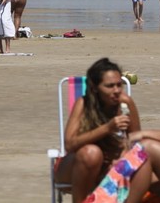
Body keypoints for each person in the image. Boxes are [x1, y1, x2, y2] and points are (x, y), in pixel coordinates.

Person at [54, 58, 150, 203]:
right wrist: (108, 128)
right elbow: (70, 144)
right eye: (110, 86)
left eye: (119, 85)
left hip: (110, 165)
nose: (117, 90)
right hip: (78, 165)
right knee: (92, 153)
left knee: (143, 159)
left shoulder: (125, 103)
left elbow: (136, 143)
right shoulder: (83, 104)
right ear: (95, 88)